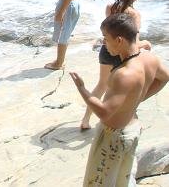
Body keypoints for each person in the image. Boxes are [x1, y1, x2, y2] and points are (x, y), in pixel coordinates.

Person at [70, 13, 169, 186]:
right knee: (123, 178)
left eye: (106, 39)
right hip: (132, 129)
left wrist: (82, 89)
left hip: (114, 137)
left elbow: (103, 113)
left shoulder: (124, 74)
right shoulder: (148, 58)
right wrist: (137, 100)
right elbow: (165, 77)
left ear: (120, 40)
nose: (104, 44)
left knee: (100, 181)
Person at [79, 0, 152, 130]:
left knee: (101, 85)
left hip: (106, 50)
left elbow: (109, 32)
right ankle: (126, 119)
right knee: (125, 91)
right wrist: (147, 44)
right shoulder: (134, 15)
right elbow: (134, 44)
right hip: (123, 56)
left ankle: (86, 120)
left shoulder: (110, 7)